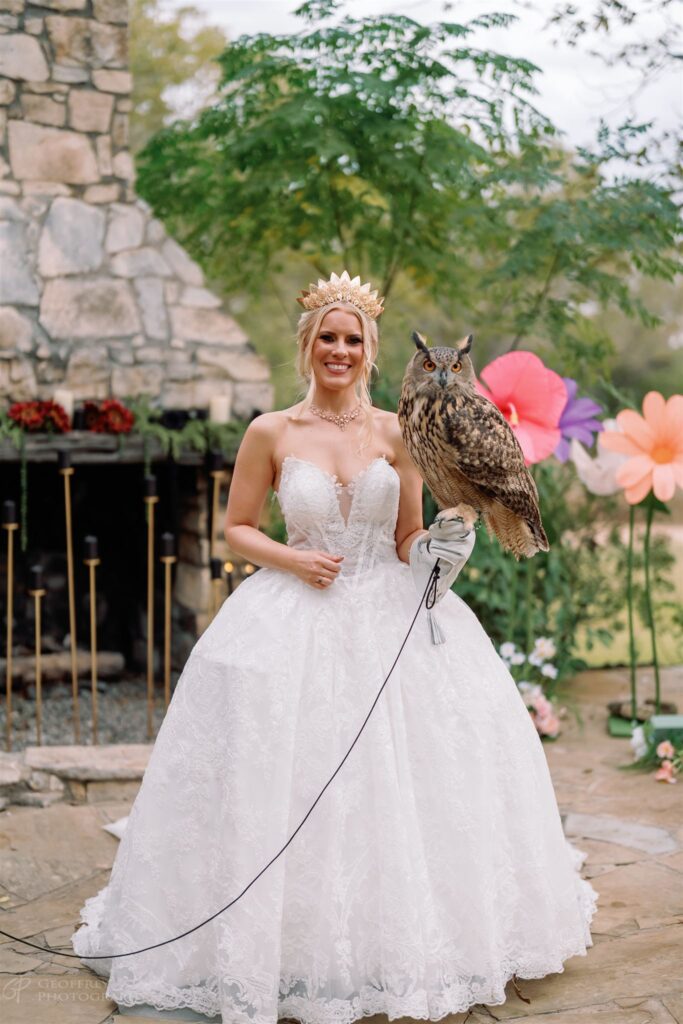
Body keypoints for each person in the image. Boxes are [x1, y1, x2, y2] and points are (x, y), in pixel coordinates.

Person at [71, 271, 598, 1024]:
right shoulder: (270, 432)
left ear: (371, 351)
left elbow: (406, 533)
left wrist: (438, 551)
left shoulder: (396, 432)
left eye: (352, 339)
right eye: (328, 337)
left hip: (388, 613)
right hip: (295, 608)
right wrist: (292, 559)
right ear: (307, 346)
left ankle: (404, 946)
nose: (340, 349)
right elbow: (236, 529)